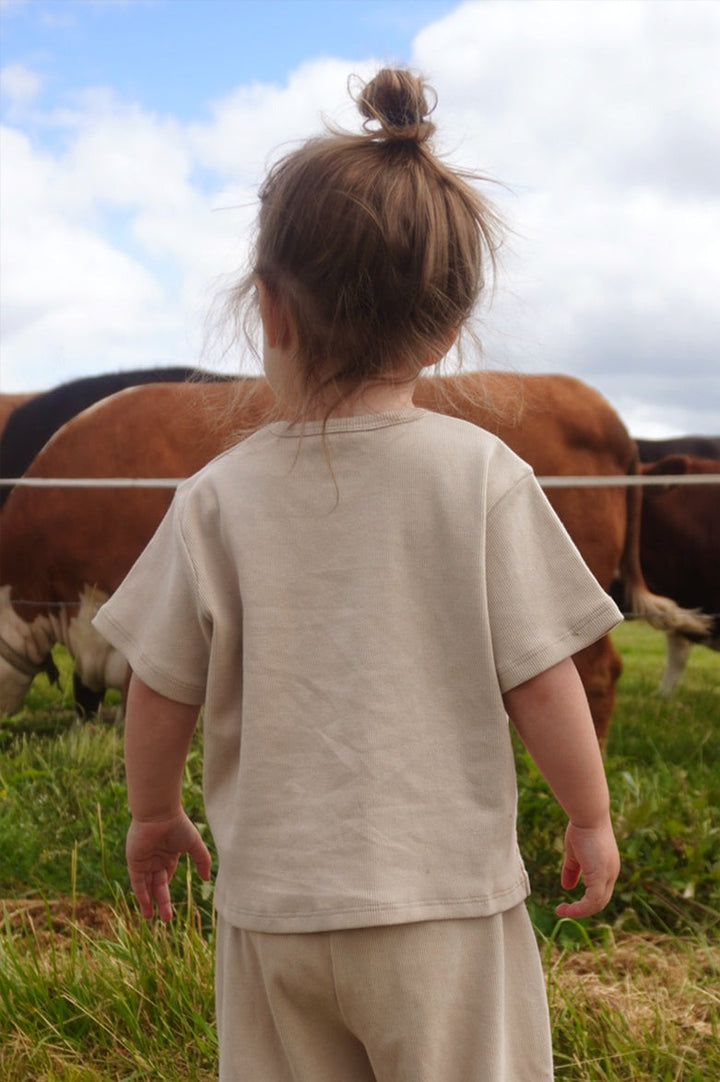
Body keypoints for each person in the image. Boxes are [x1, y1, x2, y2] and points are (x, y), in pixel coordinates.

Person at [93, 68, 622, 1082]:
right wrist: (589, 814)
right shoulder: (481, 477)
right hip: (447, 907)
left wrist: (154, 813)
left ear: (269, 310)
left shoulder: (214, 495)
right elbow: (542, 674)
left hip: (275, 914)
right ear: (450, 325)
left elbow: (159, 685)